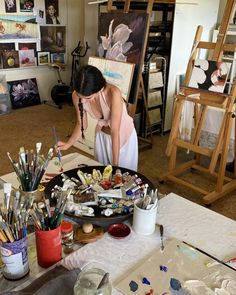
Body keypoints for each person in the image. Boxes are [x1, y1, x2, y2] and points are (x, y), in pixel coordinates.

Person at [57, 65, 138, 171]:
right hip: (102, 136)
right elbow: (82, 124)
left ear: (99, 89)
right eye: (80, 97)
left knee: (123, 177)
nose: (83, 102)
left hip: (122, 137)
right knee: (101, 175)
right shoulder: (76, 95)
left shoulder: (113, 93)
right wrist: (68, 144)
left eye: (88, 98)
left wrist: (116, 166)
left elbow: (115, 131)